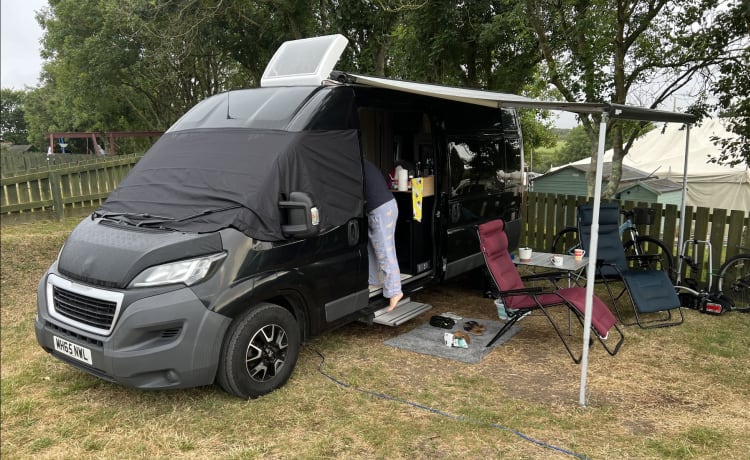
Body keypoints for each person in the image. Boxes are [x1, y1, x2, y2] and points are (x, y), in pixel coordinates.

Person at [363, 159, 403, 312]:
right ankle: (372, 280)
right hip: (385, 206)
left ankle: (395, 291)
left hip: (380, 209)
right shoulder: (363, 162)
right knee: (372, 247)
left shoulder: (353, 164)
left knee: (384, 250)